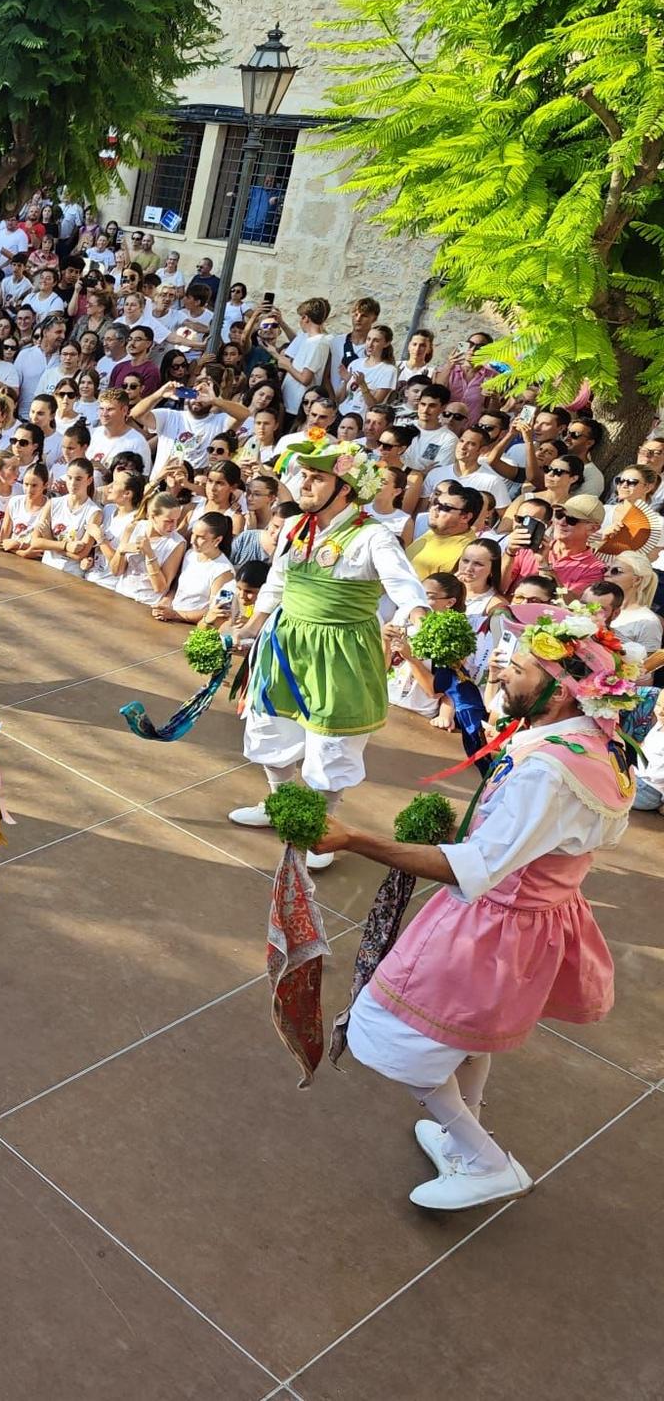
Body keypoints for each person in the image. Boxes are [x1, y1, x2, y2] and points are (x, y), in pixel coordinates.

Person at [316, 607, 640, 1209]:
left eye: (518, 667)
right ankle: (464, 1143)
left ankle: (485, 1161)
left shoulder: (547, 771)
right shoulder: (600, 744)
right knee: (468, 1035)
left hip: (494, 921)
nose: (500, 670)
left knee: (396, 1036)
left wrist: (354, 839)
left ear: (561, 692)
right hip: (537, 917)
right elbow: (541, 839)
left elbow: (478, 866)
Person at [228, 441, 429, 868]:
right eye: (304, 476)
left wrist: (417, 614)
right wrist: (251, 625)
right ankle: (281, 805)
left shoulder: (373, 535)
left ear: (345, 489)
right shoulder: (293, 526)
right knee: (270, 726)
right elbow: (278, 581)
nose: (305, 484)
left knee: (332, 742)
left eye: (317, 478)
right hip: (285, 642)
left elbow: (404, 584)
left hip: (342, 651)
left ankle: (321, 827)